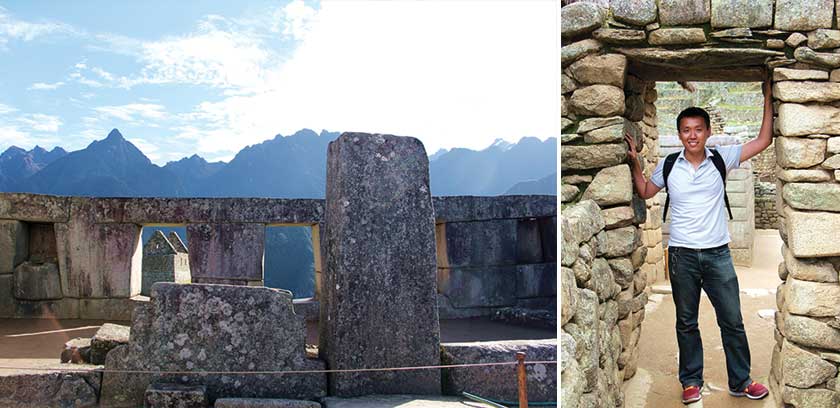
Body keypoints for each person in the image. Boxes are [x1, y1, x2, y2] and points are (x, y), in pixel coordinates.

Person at [624, 78, 773, 405]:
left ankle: (741, 380)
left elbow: (763, 140)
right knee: (686, 322)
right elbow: (647, 191)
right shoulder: (669, 165)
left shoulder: (723, 158)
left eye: (698, 129)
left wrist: (768, 96)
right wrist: (635, 163)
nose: (692, 135)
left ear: (707, 132)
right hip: (682, 257)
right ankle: (691, 381)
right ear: (679, 135)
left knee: (732, 319)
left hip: (718, 254)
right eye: (686, 130)